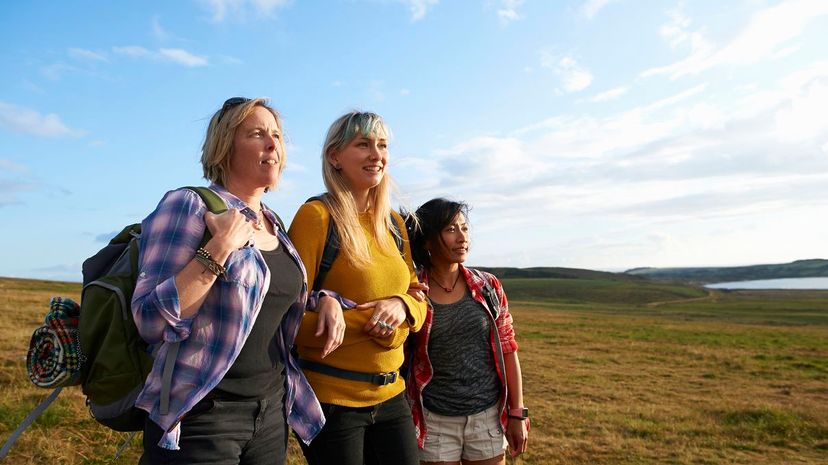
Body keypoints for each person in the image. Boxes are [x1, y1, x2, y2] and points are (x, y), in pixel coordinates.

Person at [131, 97, 324, 464]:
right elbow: (150, 320)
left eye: (277, 136)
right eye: (257, 134)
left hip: (269, 414)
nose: (273, 145)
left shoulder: (274, 223)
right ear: (224, 148)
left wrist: (327, 300)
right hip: (202, 417)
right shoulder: (189, 206)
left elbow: (269, 300)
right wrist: (219, 248)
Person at [287, 111, 427, 465]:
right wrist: (375, 326)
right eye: (362, 144)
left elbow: (418, 297)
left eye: (382, 145)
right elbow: (286, 319)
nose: (376, 154)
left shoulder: (394, 223)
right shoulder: (316, 217)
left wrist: (401, 307)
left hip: (392, 395)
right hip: (332, 402)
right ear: (334, 156)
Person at [404, 198, 529, 465]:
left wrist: (517, 413)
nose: (462, 237)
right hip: (434, 420)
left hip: (487, 418)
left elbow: (508, 348)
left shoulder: (488, 286)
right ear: (427, 241)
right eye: (450, 230)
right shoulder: (414, 291)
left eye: (465, 228)